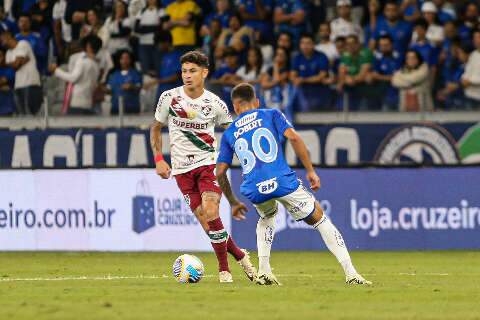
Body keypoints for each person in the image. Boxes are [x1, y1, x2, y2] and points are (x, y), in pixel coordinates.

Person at [216, 83, 372, 286]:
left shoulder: (229, 133)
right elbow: (294, 138)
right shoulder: (271, 114)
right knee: (320, 219)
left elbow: (220, 171)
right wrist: (310, 171)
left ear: (235, 107)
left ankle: (264, 271)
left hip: (254, 187)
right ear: (256, 102)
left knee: (267, 216)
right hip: (282, 181)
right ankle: (351, 274)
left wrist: (233, 201)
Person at [150, 51, 256, 283]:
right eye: (184, 71)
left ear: (204, 73)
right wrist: (159, 159)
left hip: (208, 165)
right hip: (181, 171)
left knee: (211, 212)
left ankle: (224, 270)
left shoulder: (215, 103)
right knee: (210, 227)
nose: (187, 76)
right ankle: (240, 255)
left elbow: (234, 133)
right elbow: (156, 128)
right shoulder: (169, 97)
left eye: (193, 71)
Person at [49, 35, 102, 115]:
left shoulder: (82, 62)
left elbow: (73, 78)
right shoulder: (96, 65)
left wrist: (56, 70)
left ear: (88, 46)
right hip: (88, 103)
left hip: (77, 102)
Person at [1, 29, 42, 115]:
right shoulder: (8, 52)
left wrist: (11, 63)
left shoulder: (23, 43)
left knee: (31, 114)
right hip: (18, 85)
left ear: (8, 36)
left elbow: (16, 65)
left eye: (2, 39)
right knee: (21, 114)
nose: (1, 41)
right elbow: (13, 66)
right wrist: (20, 61)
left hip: (31, 83)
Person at [106, 50, 142, 114]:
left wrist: (131, 86)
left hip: (132, 108)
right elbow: (109, 90)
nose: (125, 60)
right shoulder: (113, 75)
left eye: (127, 58)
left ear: (131, 60)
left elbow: (139, 87)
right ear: (119, 60)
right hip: (115, 107)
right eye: (122, 58)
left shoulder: (135, 73)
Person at [0, 47, 16, 116]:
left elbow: (4, 81)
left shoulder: (9, 69)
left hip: (7, 108)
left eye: (0, 56)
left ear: (4, 56)